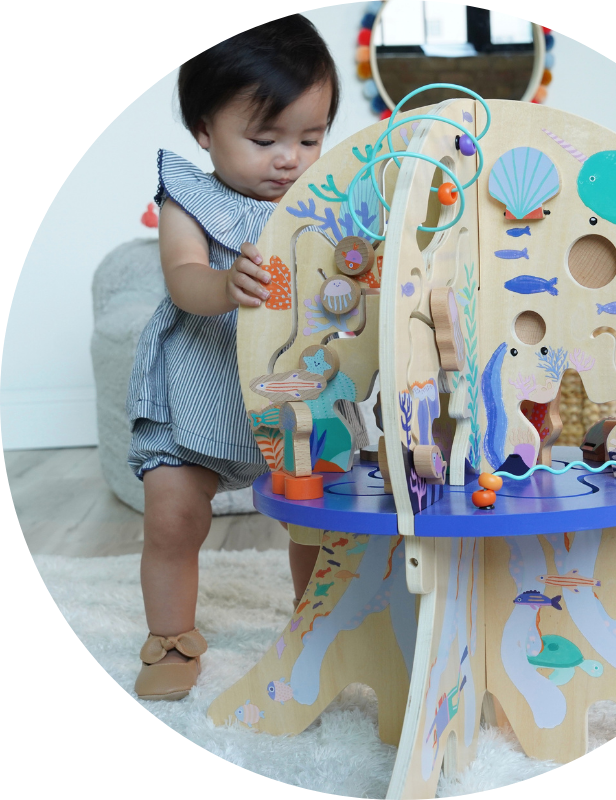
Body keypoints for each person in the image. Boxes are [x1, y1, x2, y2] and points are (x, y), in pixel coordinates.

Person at [126, 17, 347, 701]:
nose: (290, 158)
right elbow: (184, 280)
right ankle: (171, 637)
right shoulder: (189, 198)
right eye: (265, 139)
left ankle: (317, 623)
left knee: (319, 516)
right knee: (172, 515)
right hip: (198, 383)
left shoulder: (324, 200)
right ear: (204, 131)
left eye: (310, 138)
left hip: (291, 395)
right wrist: (223, 286)